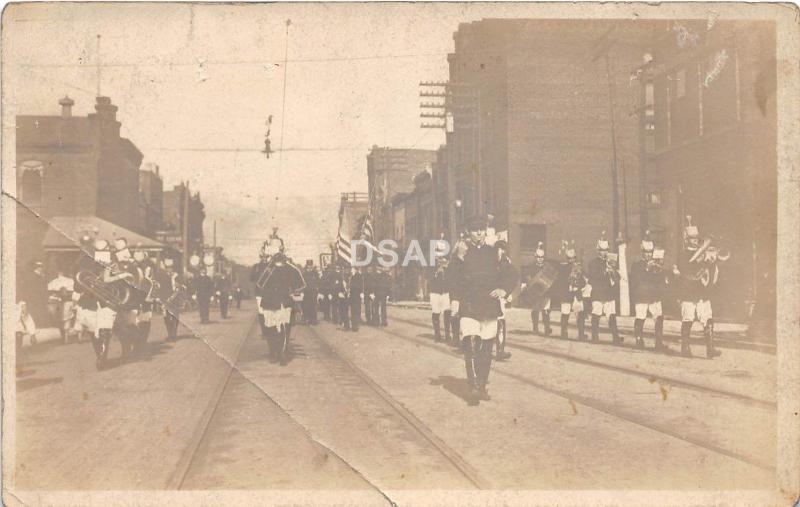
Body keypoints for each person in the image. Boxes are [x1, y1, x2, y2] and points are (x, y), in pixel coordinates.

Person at [455, 215, 519, 405]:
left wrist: (503, 289)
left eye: (482, 230)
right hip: (469, 305)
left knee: (486, 349)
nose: (479, 233)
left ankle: (481, 386)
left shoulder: (494, 253)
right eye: (475, 230)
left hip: (489, 306)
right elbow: (451, 277)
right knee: (471, 344)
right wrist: (458, 258)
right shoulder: (461, 252)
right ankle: (473, 386)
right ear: (468, 233)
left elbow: (511, 273)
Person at [73, 237, 133, 368]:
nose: (101, 251)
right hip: (90, 301)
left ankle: (102, 359)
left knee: (104, 330)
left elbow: (119, 280)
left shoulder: (113, 261)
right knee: (93, 330)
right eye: (97, 249)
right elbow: (77, 285)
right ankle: (101, 355)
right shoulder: (85, 261)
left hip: (108, 298)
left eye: (105, 248)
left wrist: (119, 275)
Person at [673, 216, 727, 358]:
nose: (696, 240)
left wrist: (712, 262)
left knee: (708, 319)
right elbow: (685, 269)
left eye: (696, 237)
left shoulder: (703, 252)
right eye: (692, 238)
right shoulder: (683, 254)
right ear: (686, 239)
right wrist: (701, 260)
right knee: (688, 320)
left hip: (702, 291)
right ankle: (685, 348)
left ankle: (710, 348)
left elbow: (709, 272)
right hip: (688, 292)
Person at [256, 247, 306, 365]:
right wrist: (259, 303)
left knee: (284, 328)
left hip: (284, 303)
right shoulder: (268, 269)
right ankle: (273, 352)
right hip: (269, 303)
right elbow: (259, 286)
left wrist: (294, 293)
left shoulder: (291, 269)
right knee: (271, 329)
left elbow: (301, 285)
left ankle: (281, 353)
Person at [629, 233, 670, 351]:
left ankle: (658, 343)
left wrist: (661, 270)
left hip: (654, 296)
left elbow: (660, 279)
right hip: (641, 295)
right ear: (642, 253)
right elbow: (636, 280)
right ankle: (638, 340)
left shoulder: (656, 265)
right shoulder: (636, 265)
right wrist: (647, 268)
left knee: (659, 318)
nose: (648, 255)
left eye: (650, 252)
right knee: (640, 318)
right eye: (646, 252)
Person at [586, 232, 621, 344]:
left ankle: (615, 337)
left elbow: (617, 278)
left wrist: (614, 272)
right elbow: (593, 276)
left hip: (609, 293)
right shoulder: (593, 263)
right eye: (602, 250)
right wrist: (604, 271)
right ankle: (595, 337)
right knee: (596, 314)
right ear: (598, 250)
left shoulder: (612, 262)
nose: (604, 252)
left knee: (611, 315)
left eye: (606, 250)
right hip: (598, 292)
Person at [550, 241, 588, 340]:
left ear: (575, 258)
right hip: (566, 294)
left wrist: (578, 286)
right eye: (569, 258)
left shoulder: (579, 268)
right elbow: (560, 282)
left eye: (573, 258)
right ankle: (563, 333)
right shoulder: (563, 269)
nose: (572, 260)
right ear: (567, 259)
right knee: (565, 313)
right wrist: (567, 286)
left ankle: (581, 334)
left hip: (576, 294)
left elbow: (583, 282)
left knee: (580, 314)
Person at [522, 242, 557, 336]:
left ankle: (546, 328)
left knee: (545, 310)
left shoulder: (547, 267)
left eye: (542, 257)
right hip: (535, 292)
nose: (540, 259)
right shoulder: (531, 267)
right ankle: (535, 328)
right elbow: (528, 278)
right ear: (535, 257)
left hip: (546, 292)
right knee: (535, 310)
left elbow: (551, 279)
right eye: (538, 257)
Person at [494, 240, 518, 361]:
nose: (501, 251)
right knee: (497, 323)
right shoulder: (499, 262)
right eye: (499, 248)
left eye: (503, 249)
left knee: (500, 323)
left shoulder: (505, 262)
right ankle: (498, 350)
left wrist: (506, 291)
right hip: (495, 295)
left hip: (500, 296)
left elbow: (513, 276)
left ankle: (500, 350)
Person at [156, 258, 183, 342]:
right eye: (167, 267)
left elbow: (181, 287)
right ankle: (170, 334)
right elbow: (161, 289)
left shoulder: (177, 276)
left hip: (176, 299)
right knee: (166, 318)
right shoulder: (163, 276)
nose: (169, 269)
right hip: (166, 300)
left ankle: (174, 334)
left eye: (171, 267)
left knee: (175, 317)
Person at [47, 268, 76, 343]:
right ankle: (65, 335)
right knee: (65, 319)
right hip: (63, 302)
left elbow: (50, 292)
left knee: (62, 319)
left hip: (62, 302)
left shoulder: (54, 282)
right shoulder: (70, 281)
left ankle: (65, 336)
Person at [429, 254, 451, 343]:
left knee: (447, 313)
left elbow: (452, 276)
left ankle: (447, 335)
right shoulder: (431, 263)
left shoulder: (447, 263)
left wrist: (446, 269)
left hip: (446, 291)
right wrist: (436, 272)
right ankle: (437, 335)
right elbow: (427, 276)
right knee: (436, 312)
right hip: (435, 292)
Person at [302, 260, 320, 325]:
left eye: (311, 266)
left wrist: (318, 291)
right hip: (306, 293)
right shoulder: (304, 274)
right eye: (309, 266)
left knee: (313, 306)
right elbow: (302, 284)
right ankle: (307, 319)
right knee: (306, 306)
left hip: (314, 292)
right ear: (307, 266)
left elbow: (318, 282)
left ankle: (313, 320)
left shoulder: (315, 274)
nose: (310, 268)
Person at [348, 267, 365, 332]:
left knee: (355, 310)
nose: (351, 270)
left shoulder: (358, 276)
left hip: (356, 296)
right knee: (354, 310)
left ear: (355, 270)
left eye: (352, 269)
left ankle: (355, 326)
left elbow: (360, 286)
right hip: (352, 296)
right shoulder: (352, 276)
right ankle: (355, 324)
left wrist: (361, 292)